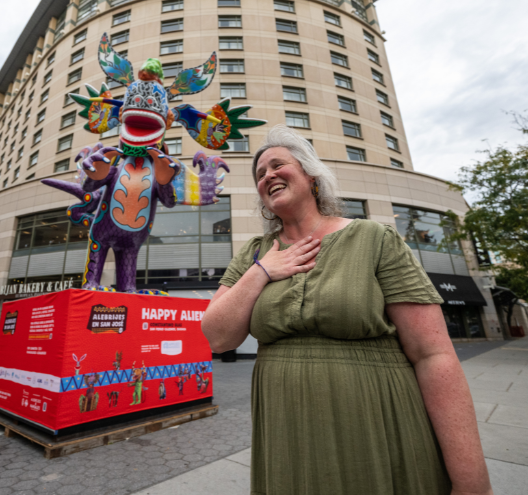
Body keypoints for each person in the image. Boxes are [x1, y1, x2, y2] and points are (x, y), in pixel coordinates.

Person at [201, 126, 492, 495]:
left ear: (311, 175)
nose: (267, 176)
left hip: (376, 419)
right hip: (286, 432)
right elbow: (217, 336)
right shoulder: (254, 254)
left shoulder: (373, 238)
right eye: (260, 173)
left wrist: (472, 481)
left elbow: (433, 354)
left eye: (278, 165)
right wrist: (262, 272)